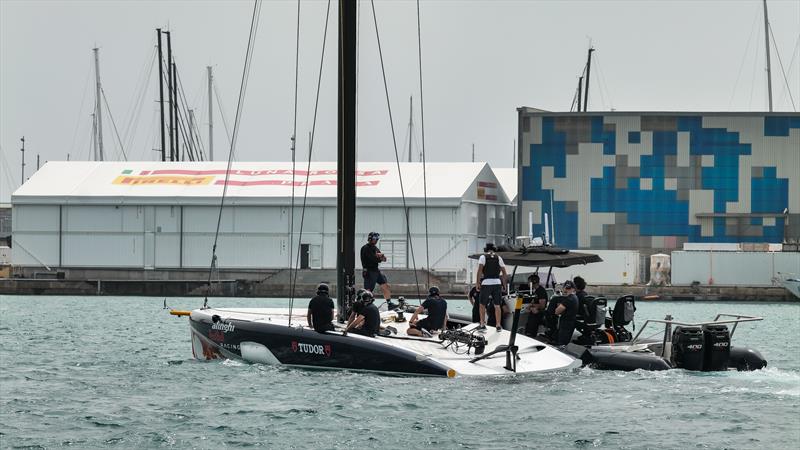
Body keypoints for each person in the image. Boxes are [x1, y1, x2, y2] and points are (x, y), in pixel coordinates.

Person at [475, 243, 508, 332]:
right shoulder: (499, 258)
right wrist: (504, 284)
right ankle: (498, 325)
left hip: (486, 283)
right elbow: (504, 273)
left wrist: (477, 283)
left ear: (486, 249)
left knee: (482, 304)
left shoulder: (483, 257)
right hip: (497, 283)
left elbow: (479, 271)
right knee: (497, 305)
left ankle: (482, 324)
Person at [360, 231, 391, 302]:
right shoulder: (365, 248)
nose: (376, 240)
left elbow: (384, 259)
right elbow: (373, 259)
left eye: (377, 239)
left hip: (376, 271)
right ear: (370, 239)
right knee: (368, 291)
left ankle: (389, 304)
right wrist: (379, 257)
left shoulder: (375, 248)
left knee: (385, 286)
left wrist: (381, 256)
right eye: (374, 238)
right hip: (369, 271)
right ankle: (366, 304)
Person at [554, 280, 579, 345]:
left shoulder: (568, 299)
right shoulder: (575, 297)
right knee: (565, 341)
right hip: (571, 322)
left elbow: (557, 311)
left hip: (565, 323)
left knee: (562, 343)